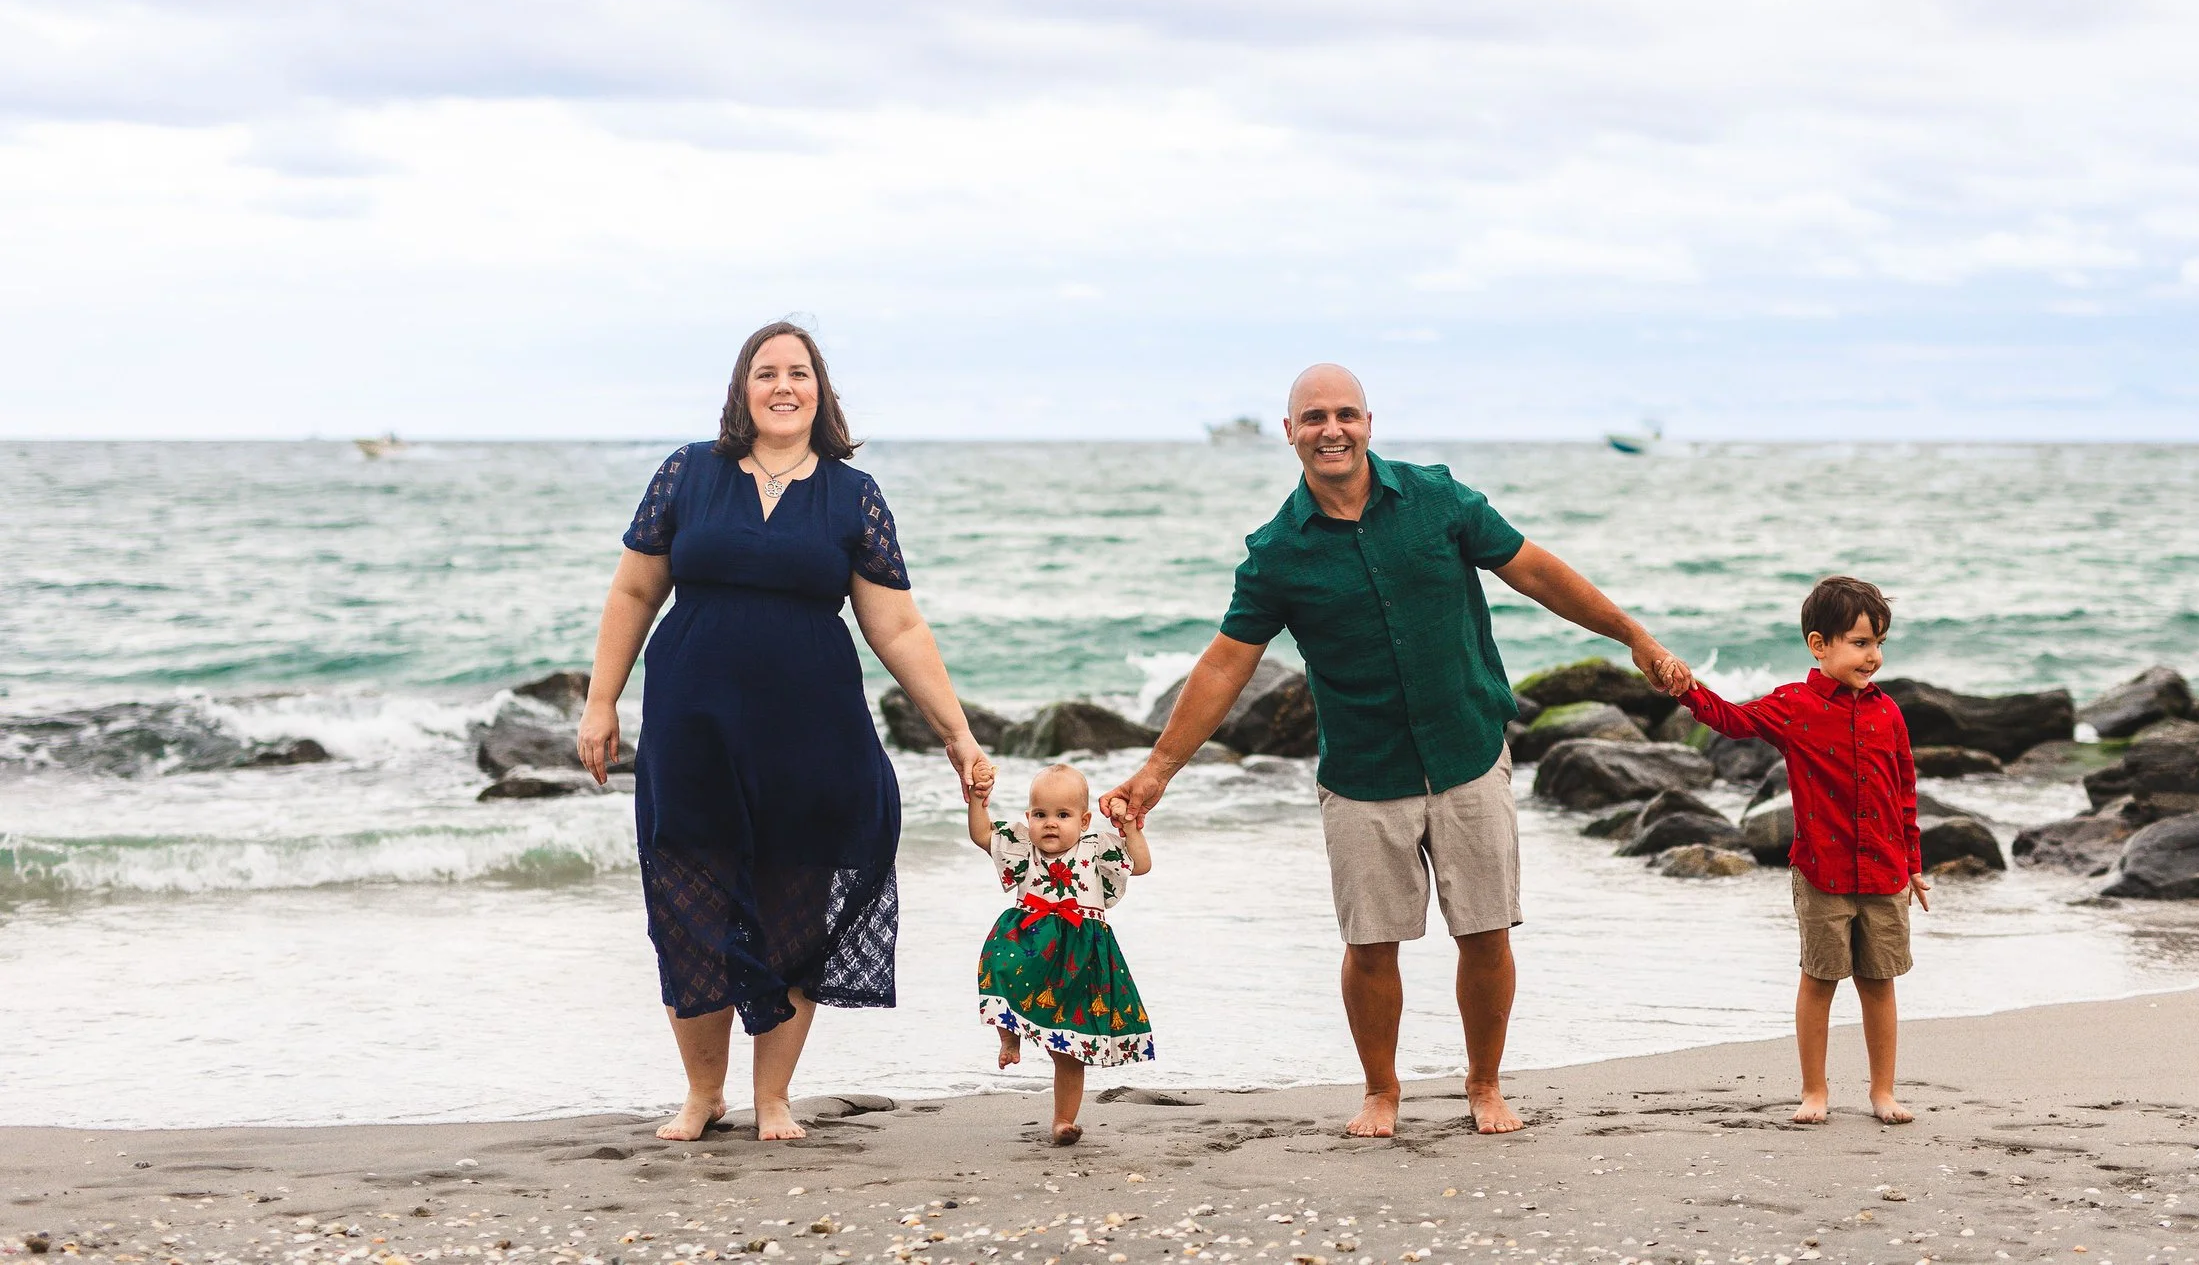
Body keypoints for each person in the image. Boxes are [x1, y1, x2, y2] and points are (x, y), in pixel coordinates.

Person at [1102, 363, 1687, 1138]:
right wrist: (1158, 769)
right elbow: (1225, 664)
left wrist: (1632, 635)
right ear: (1291, 432)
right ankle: (1381, 1090)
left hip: (1466, 749)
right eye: (1315, 417)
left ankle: (1484, 1084)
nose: (1332, 429)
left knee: (1486, 932)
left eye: (1345, 414)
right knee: (1370, 945)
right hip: (1362, 772)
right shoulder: (1277, 552)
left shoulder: (1437, 499)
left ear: (1369, 423)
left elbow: (1536, 571)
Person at [575, 320, 994, 1142]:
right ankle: (703, 1093)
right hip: (692, 729)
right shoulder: (689, 472)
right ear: (743, 387)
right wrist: (602, 699)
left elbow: (898, 625)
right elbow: (633, 592)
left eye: (798, 372)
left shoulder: (851, 493)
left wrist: (958, 732)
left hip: (812, 733)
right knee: (689, 905)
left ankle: (773, 1096)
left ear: (819, 390)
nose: (782, 385)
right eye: (766, 372)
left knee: (795, 909)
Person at [1672, 574, 1930, 1126]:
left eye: (1879, 643)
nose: (1874, 656)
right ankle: (1815, 1091)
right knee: (1820, 979)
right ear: (1819, 644)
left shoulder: (1889, 712)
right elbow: (1733, 720)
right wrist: (1688, 689)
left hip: (1885, 871)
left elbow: (1904, 791)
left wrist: (1913, 863)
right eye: (1861, 643)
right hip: (1822, 872)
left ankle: (1883, 1092)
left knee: (1879, 983)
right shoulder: (1795, 705)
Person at [967, 763, 1154, 1144]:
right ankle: (1009, 1037)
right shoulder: (1024, 848)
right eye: (1040, 814)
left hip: (1080, 958)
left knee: (1070, 1049)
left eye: (1063, 815)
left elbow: (1141, 865)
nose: (1050, 823)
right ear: (1028, 818)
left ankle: (1063, 1121)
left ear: (1084, 821)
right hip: (1031, 940)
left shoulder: (1097, 849)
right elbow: (983, 836)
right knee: (1001, 967)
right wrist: (977, 800)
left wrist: (1130, 828)